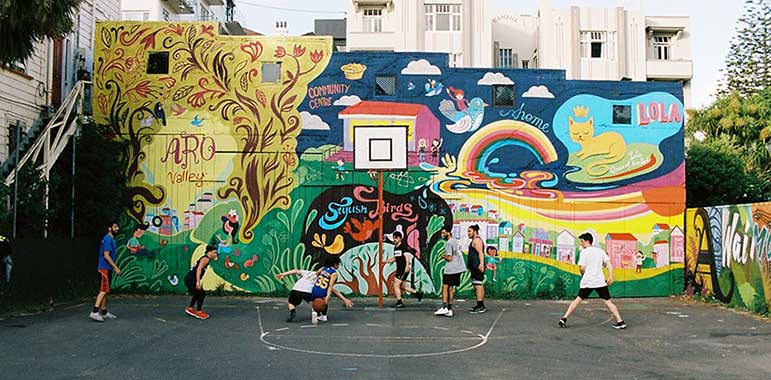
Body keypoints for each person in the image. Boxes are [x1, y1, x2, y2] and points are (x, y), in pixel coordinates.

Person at [559, 232, 626, 329]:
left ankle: (564, 318)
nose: (581, 243)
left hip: (588, 282)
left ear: (587, 241)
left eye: (582, 241)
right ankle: (620, 322)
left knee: (577, 300)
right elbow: (609, 264)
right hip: (600, 282)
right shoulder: (600, 251)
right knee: (608, 302)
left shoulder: (584, 252)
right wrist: (611, 276)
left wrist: (583, 274)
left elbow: (581, 268)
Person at [275, 267, 353, 323]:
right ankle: (321, 315)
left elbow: (295, 271)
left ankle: (292, 311)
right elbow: (333, 290)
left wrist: (283, 274)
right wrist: (344, 299)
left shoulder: (307, 272)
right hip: (308, 291)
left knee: (291, 303)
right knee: (320, 300)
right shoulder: (320, 278)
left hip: (296, 289)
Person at [90, 222, 121, 322]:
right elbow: (106, 255)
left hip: (107, 268)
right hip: (104, 268)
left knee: (105, 291)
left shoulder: (110, 239)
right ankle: (94, 312)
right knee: (103, 290)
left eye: (117, 226)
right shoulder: (108, 239)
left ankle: (104, 312)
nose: (117, 228)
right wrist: (116, 267)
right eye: (115, 227)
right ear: (109, 228)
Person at [385, 231, 423, 309]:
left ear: (400, 238)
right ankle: (418, 294)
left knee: (396, 285)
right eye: (394, 238)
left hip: (403, 269)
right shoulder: (395, 247)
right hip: (399, 269)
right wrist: (385, 261)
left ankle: (399, 302)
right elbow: (395, 258)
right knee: (402, 286)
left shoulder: (403, 247)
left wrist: (407, 266)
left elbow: (407, 257)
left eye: (396, 238)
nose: (394, 239)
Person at [435, 228, 465, 317]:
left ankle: (444, 307)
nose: (442, 235)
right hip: (457, 268)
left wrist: (442, 256)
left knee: (445, 287)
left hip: (450, 269)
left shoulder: (448, 243)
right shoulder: (456, 241)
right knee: (451, 289)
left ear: (448, 233)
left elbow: (449, 258)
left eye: (444, 233)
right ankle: (449, 309)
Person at [185, 245, 219, 320]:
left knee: (197, 293)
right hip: (191, 279)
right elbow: (199, 270)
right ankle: (199, 312)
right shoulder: (205, 259)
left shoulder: (207, 258)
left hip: (189, 279)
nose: (216, 254)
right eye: (215, 252)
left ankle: (190, 308)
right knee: (201, 294)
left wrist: (215, 257)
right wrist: (198, 282)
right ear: (209, 252)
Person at [309, 257, 341, 324]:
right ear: (335, 264)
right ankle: (323, 316)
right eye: (338, 264)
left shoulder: (323, 268)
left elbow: (316, 273)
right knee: (324, 303)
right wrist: (328, 296)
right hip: (323, 291)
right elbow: (330, 285)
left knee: (316, 302)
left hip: (315, 289)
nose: (338, 265)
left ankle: (315, 312)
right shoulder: (334, 273)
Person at [467, 225, 486, 314]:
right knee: (478, 285)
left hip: (477, 266)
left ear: (475, 231)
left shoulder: (477, 240)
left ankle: (480, 306)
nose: (468, 233)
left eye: (470, 231)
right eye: (468, 231)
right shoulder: (475, 240)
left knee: (478, 285)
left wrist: (481, 264)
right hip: (475, 267)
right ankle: (480, 304)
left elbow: (480, 253)